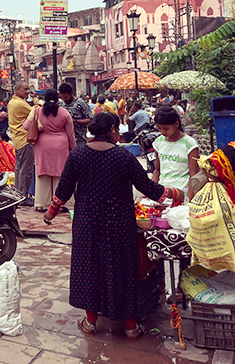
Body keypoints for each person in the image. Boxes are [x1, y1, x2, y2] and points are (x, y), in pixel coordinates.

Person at [44, 112, 184, 339]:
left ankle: (90, 323)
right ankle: (130, 327)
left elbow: (64, 189)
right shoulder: (123, 157)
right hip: (119, 224)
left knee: (89, 269)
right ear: (111, 130)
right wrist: (175, 193)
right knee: (122, 271)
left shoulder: (78, 154)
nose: (119, 133)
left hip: (87, 223)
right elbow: (148, 188)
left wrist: (51, 213)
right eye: (117, 129)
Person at [24, 88, 76, 212]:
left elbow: (25, 126)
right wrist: (73, 148)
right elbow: (70, 134)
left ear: (44, 99)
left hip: (43, 145)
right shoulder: (64, 113)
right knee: (60, 174)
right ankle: (59, 204)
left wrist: (40, 128)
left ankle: (41, 203)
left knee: (42, 173)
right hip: (61, 145)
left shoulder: (37, 111)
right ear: (57, 99)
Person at [151, 106, 199, 194]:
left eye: (166, 128)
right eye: (159, 128)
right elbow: (157, 170)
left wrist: (189, 200)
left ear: (176, 124)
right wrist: (151, 192)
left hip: (182, 193)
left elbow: (193, 175)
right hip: (163, 193)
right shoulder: (158, 142)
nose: (162, 132)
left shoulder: (189, 144)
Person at [7, 82, 34, 207]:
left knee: (19, 169)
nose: (27, 91)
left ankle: (19, 194)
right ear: (17, 90)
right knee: (25, 170)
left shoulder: (12, 102)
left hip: (18, 139)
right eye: (25, 89)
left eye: (28, 89)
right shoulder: (20, 104)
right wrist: (36, 99)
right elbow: (37, 112)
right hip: (24, 139)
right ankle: (23, 197)